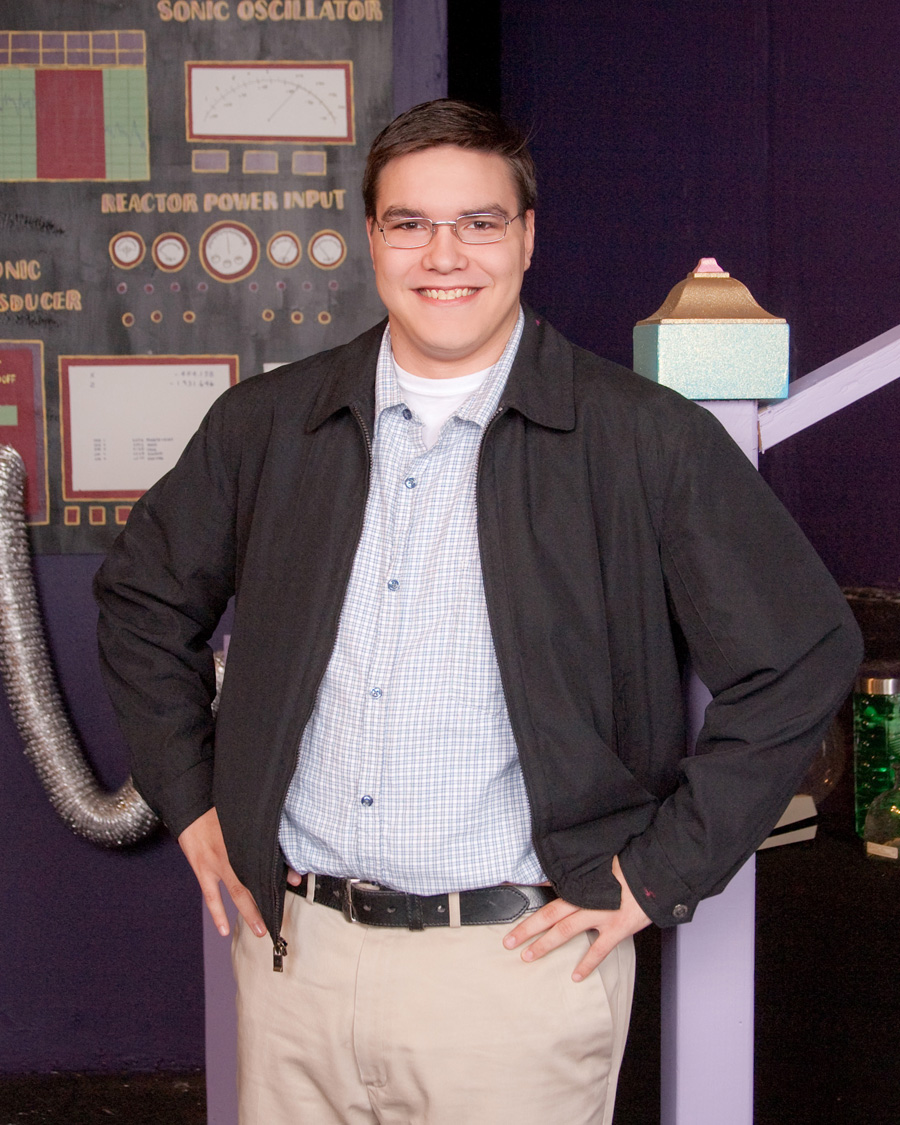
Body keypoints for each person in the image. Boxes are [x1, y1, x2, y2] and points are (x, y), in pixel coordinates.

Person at [95, 99, 862, 1124]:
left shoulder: (642, 438)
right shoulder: (267, 425)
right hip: (293, 968)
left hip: (516, 979)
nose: (444, 255)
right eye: (410, 223)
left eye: (480, 222)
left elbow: (802, 654)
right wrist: (191, 799)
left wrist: (660, 872)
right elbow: (143, 598)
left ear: (528, 237)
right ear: (372, 238)